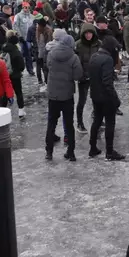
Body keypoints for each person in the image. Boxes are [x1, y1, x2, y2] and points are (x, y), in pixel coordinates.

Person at [45, 33, 83, 162]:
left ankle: (49, 152)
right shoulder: (74, 57)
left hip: (53, 95)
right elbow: (78, 76)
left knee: (51, 124)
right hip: (67, 96)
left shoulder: (51, 54)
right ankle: (70, 152)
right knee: (69, 124)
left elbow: (48, 66)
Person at [88, 36, 125, 160]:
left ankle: (92, 148)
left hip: (95, 95)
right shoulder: (108, 59)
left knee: (97, 121)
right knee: (110, 123)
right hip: (106, 97)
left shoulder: (94, 56)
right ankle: (109, 152)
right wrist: (115, 99)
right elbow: (107, 83)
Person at [75, 23, 100, 132]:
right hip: (83, 77)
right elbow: (76, 62)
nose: (88, 35)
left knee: (97, 99)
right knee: (82, 100)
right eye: (86, 33)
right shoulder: (78, 45)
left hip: (95, 77)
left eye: (90, 33)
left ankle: (97, 117)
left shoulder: (99, 44)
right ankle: (79, 122)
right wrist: (81, 75)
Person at [1, 31, 26, 118]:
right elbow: (21, 64)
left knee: (4, 92)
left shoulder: (4, 47)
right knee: (18, 92)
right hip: (15, 74)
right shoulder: (15, 50)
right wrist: (20, 70)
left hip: (4, 74)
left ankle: (2, 111)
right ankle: (21, 111)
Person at [12, 2, 36, 76]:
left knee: (28, 54)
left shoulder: (32, 16)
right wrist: (19, 36)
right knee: (21, 54)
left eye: (28, 7)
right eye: (25, 7)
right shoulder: (18, 16)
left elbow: (34, 26)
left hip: (29, 39)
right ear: (22, 8)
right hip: (22, 38)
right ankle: (19, 70)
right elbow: (15, 26)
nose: (27, 9)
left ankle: (30, 69)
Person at [35, 17, 53, 89]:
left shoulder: (48, 31)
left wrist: (41, 55)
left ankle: (47, 82)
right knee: (42, 67)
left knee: (46, 68)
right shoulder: (39, 30)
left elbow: (46, 44)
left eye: (38, 25)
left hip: (46, 53)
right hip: (40, 52)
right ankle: (44, 81)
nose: (37, 26)